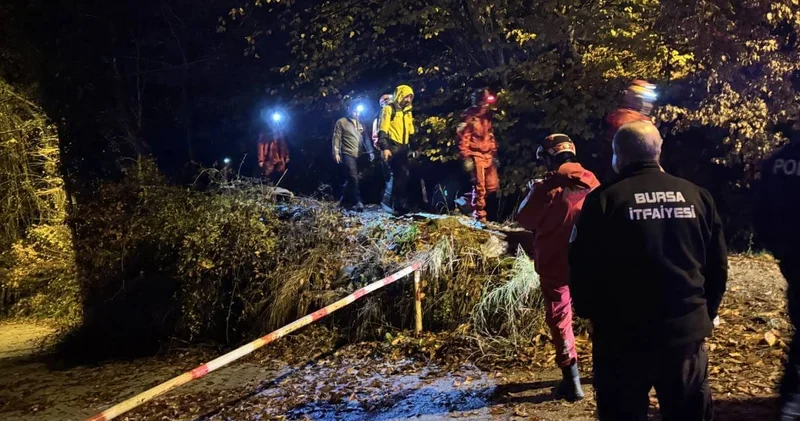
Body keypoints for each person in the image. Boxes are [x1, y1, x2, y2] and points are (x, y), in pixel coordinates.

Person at [569, 121, 727, 421]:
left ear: (618, 156)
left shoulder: (604, 200)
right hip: (685, 336)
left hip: (621, 338)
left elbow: (582, 267)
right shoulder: (696, 197)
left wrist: (589, 314)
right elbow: (718, 265)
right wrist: (706, 312)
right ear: (658, 151)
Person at [516, 134, 600, 401]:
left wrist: (535, 190)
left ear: (550, 156)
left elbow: (524, 218)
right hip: (589, 262)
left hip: (554, 263)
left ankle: (572, 381)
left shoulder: (546, 186)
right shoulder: (593, 182)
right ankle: (602, 372)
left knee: (560, 318)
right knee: (599, 316)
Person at [753, 137, 800, 420]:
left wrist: (781, 252)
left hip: (793, 261)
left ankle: (791, 400)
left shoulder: (780, 159)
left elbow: (761, 210)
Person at [457, 89, 499, 223]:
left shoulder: (487, 117)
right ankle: (480, 217)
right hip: (476, 155)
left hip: (487, 155)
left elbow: (490, 135)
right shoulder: (470, 117)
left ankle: (465, 202)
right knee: (480, 187)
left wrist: (493, 152)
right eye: (484, 102)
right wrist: (466, 156)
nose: (486, 105)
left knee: (492, 186)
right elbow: (463, 137)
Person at [377, 85, 415, 215]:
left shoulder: (407, 112)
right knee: (399, 174)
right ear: (400, 95)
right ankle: (392, 203)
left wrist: (413, 147)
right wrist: (385, 148)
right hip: (393, 145)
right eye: (406, 96)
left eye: (410, 96)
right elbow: (382, 129)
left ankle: (395, 203)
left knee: (403, 175)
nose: (408, 99)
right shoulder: (389, 109)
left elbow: (410, 131)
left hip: (403, 147)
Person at [332, 102, 374, 211]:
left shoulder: (361, 123)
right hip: (347, 153)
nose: (357, 113)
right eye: (354, 111)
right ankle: (358, 201)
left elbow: (366, 139)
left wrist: (370, 151)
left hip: (359, 154)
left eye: (358, 111)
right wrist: (336, 153)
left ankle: (343, 199)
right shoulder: (342, 122)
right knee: (353, 176)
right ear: (350, 110)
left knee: (353, 179)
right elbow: (336, 138)